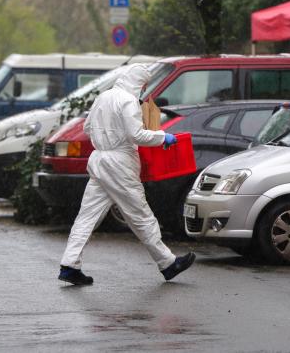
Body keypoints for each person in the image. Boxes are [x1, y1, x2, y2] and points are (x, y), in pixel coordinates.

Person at [58, 64, 195, 285]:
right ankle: (168, 263)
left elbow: (87, 128)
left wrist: (106, 137)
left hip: (100, 161)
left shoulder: (104, 97)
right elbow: (136, 135)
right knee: (141, 215)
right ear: (139, 82)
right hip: (120, 164)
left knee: (87, 217)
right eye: (145, 85)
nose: (144, 89)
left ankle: (69, 264)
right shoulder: (128, 101)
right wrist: (163, 137)